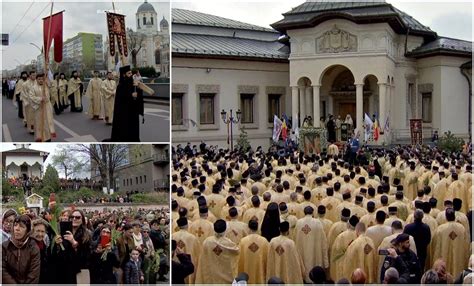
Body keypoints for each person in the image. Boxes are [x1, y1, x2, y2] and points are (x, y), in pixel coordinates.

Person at [195, 219, 240, 284]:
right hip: (226, 277)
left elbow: (203, 259)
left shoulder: (207, 241)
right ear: (225, 229)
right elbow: (237, 253)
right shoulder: (229, 244)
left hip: (211, 276)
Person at [2, 214, 40, 284]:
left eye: (22, 226)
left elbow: (34, 274)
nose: (17, 229)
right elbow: (2, 270)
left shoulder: (33, 247)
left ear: (28, 230)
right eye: (15, 225)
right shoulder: (5, 246)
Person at [432, 208, 469, 277]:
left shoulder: (440, 229)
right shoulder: (462, 228)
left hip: (444, 257)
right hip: (458, 259)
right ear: (454, 216)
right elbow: (466, 246)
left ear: (446, 216)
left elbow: (435, 246)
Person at [110, 65, 144, 142]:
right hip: (124, 114)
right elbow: (120, 100)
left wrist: (138, 91)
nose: (131, 75)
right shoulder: (120, 86)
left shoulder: (133, 84)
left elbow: (138, 95)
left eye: (131, 73)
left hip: (133, 112)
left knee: (133, 129)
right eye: (129, 73)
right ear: (124, 75)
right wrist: (130, 95)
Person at [295, 206, 328, 282]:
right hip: (315, 255)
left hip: (302, 253)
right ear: (313, 213)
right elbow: (324, 242)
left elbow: (295, 239)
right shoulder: (317, 222)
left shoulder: (299, 222)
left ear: (304, 212)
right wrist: (326, 262)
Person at [238, 220, 269, 284]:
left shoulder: (243, 241)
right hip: (260, 269)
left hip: (247, 268)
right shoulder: (264, 241)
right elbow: (268, 258)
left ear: (248, 228)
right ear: (257, 228)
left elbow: (239, 258)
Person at [173, 217, 200, 283]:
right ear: (187, 225)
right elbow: (198, 253)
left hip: (175, 265)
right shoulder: (193, 238)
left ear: (178, 226)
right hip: (188, 264)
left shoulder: (172, 236)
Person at [28, 73, 55, 142]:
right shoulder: (33, 88)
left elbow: (51, 84)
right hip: (38, 108)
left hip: (47, 108)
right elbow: (31, 97)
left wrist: (47, 67)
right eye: (39, 79)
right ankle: (39, 137)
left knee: (47, 123)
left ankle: (48, 138)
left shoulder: (46, 86)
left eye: (42, 79)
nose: (40, 80)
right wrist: (40, 99)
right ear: (36, 80)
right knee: (39, 123)